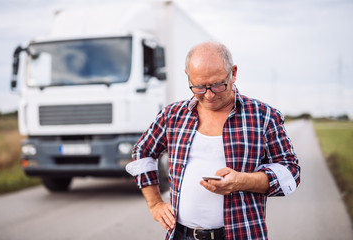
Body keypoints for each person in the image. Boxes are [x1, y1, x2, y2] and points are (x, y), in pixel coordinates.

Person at [126, 42, 300, 240]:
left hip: (242, 235)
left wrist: (242, 181)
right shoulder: (172, 115)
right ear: (188, 76)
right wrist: (155, 204)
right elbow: (142, 151)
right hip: (181, 235)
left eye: (217, 85)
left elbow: (290, 173)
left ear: (233, 73)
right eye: (199, 87)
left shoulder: (264, 116)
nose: (209, 95)